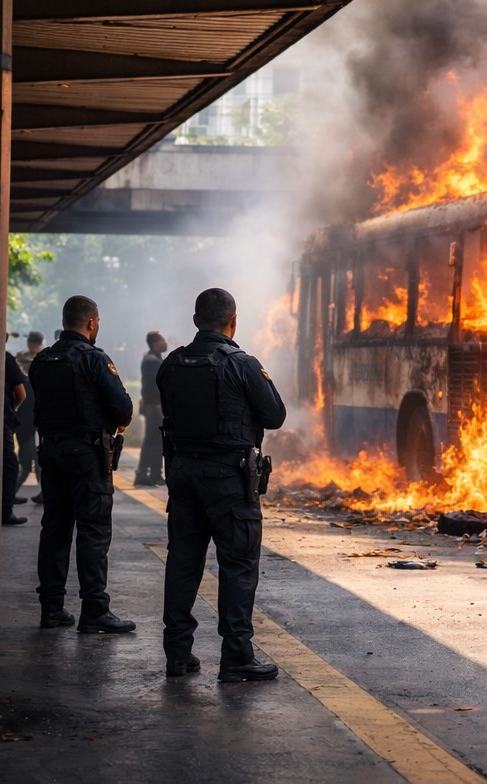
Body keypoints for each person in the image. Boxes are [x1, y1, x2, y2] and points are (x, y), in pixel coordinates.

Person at [159, 288, 286, 682]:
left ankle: (178, 655)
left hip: (183, 474)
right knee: (237, 566)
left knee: (182, 562)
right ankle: (235, 658)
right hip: (229, 481)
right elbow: (275, 415)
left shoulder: (172, 364)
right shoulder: (242, 364)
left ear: (196, 321)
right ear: (233, 322)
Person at [29, 295, 135, 633]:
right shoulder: (93, 359)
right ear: (91, 322)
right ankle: (94, 611)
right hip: (87, 457)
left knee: (55, 530)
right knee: (93, 530)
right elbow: (122, 408)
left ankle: (52, 609)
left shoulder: (42, 360)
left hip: (50, 452)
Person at [133, 330, 168, 486]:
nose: (165, 342)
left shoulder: (152, 359)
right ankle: (145, 474)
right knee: (152, 441)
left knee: (155, 441)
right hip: (154, 406)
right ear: (155, 343)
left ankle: (153, 473)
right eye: (162, 339)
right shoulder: (152, 361)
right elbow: (154, 387)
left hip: (154, 406)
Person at [13, 330, 44, 499]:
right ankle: (43, 493)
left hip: (24, 414)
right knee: (37, 456)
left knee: (27, 457)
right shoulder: (47, 359)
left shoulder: (18, 359)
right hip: (39, 413)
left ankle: (10, 494)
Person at [3, 346, 29, 525]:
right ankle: (5, 509)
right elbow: (21, 394)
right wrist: (12, 410)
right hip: (2, 418)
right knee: (11, 465)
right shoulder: (6, 358)